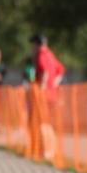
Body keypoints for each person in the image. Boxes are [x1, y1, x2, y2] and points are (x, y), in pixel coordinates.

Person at [30, 33, 64, 161]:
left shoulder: (41, 55)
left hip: (43, 96)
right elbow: (61, 71)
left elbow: (44, 71)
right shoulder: (50, 54)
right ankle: (51, 150)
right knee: (48, 123)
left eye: (33, 44)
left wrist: (42, 88)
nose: (32, 47)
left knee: (42, 123)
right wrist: (54, 84)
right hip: (52, 95)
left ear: (38, 44)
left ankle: (46, 151)